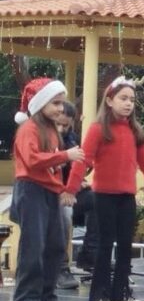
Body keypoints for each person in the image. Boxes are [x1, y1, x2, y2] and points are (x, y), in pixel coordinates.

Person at [64, 77, 144, 301]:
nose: (128, 103)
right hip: (103, 196)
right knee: (104, 245)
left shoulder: (135, 131)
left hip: (126, 198)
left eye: (132, 99)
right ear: (110, 101)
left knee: (124, 246)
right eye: (123, 98)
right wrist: (71, 189)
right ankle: (100, 296)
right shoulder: (98, 129)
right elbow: (83, 161)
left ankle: (121, 295)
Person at [10, 77, 84, 301]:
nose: (61, 108)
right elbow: (32, 160)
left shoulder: (51, 130)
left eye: (61, 103)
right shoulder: (29, 129)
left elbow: (51, 164)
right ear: (40, 103)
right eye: (55, 103)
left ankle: (47, 297)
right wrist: (65, 156)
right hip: (31, 190)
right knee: (34, 245)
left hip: (50, 191)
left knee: (55, 246)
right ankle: (26, 299)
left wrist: (63, 184)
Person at [55, 101, 81, 290]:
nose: (61, 129)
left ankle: (90, 254)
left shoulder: (72, 139)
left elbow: (79, 165)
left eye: (65, 125)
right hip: (45, 192)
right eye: (58, 124)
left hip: (67, 191)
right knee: (63, 217)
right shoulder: (40, 135)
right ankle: (60, 267)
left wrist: (78, 183)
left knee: (97, 200)